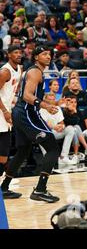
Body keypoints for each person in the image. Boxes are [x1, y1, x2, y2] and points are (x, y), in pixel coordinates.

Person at [1, 46, 61, 203]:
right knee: (53, 148)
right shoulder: (36, 72)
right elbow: (27, 95)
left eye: (50, 54)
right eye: (44, 54)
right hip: (26, 113)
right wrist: (45, 105)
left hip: (20, 112)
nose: (48, 56)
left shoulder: (32, 71)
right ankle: (40, 190)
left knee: (23, 150)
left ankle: (4, 187)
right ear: (36, 57)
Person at [0, 46, 23, 199]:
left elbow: (12, 92)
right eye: (15, 52)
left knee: (4, 152)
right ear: (9, 55)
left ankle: (2, 184)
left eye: (20, 52)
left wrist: (12, 107)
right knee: (3, 150)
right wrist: (6, 111)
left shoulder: (19, 69)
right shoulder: (5, 71)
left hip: (6, 111)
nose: (19, 55)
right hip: (1, 112)